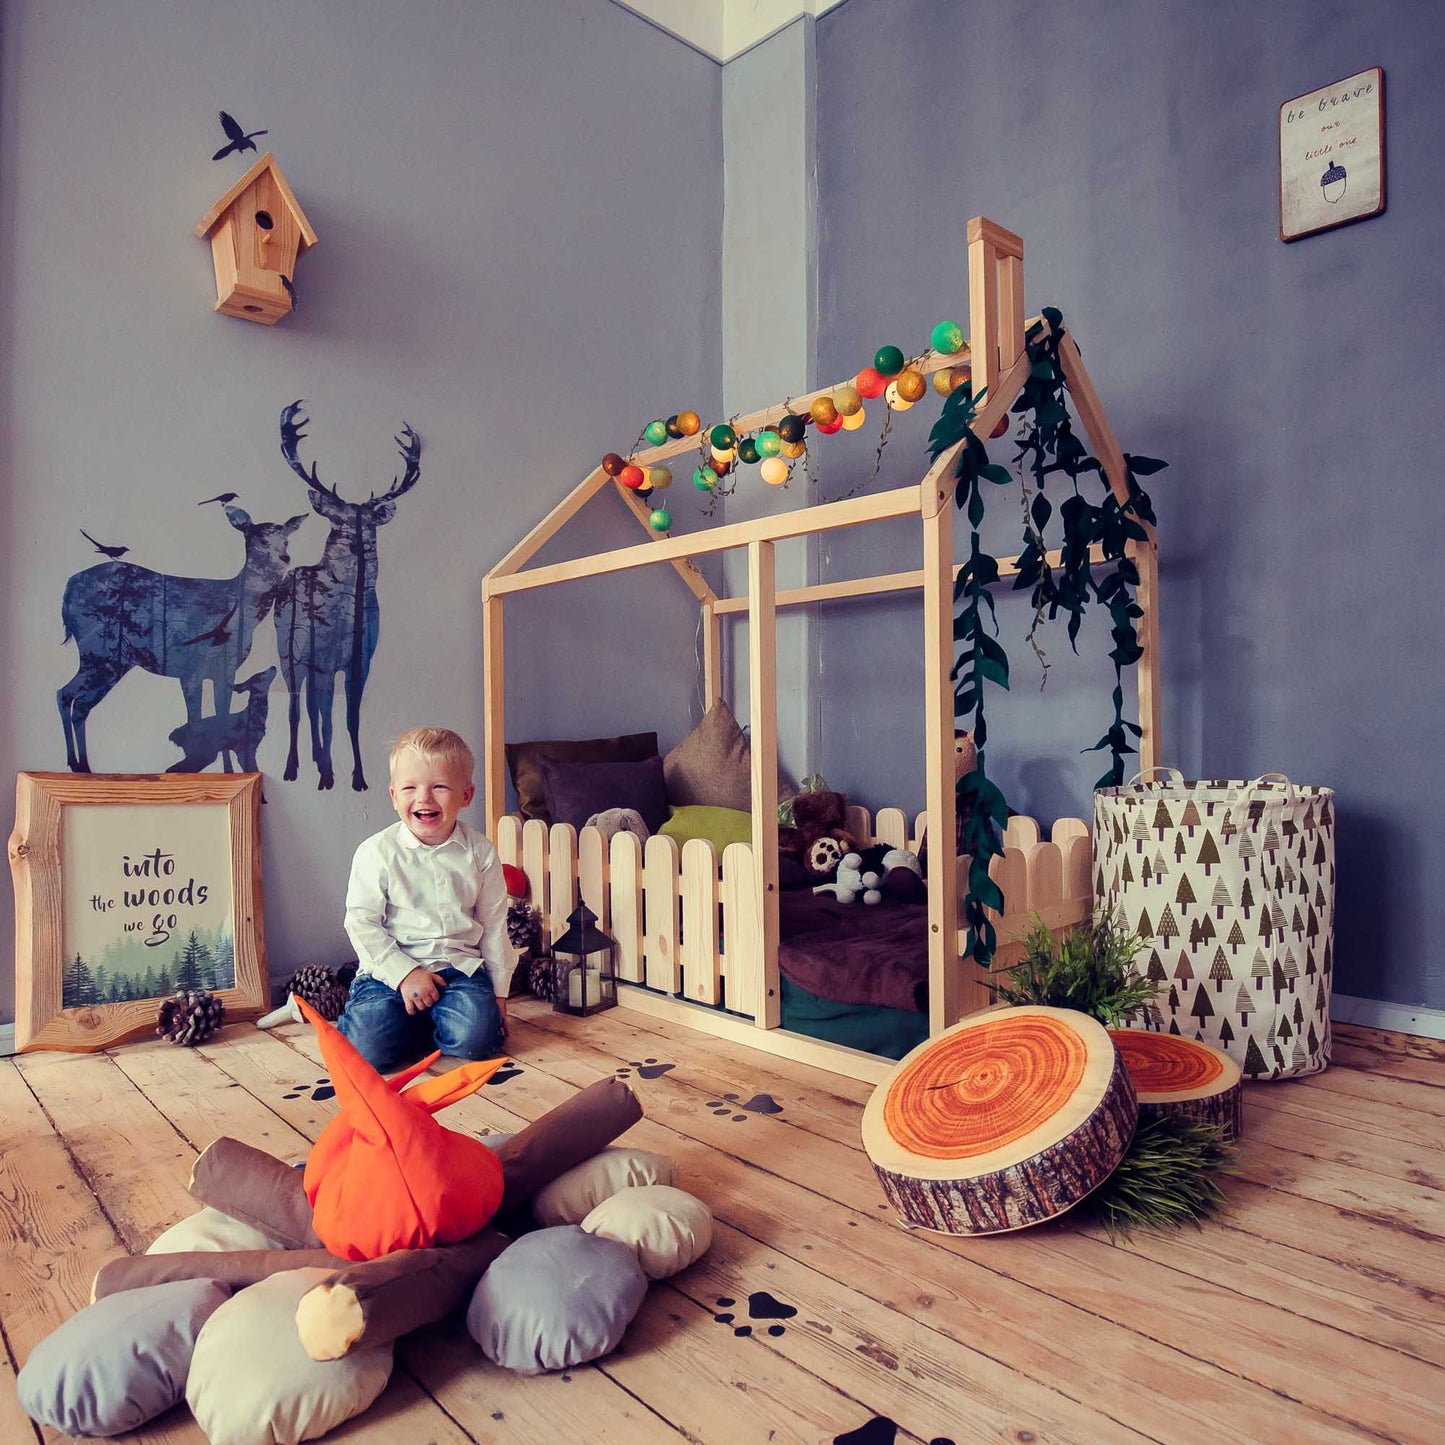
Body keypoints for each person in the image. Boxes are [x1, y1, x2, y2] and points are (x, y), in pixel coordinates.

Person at [336, 726, 511, 1072]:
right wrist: (404, 975)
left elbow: (493, 927)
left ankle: (429, 1022)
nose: (424, 798)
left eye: (439, 787)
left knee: (478, 1039)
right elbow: (362, 923)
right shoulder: (376, 852)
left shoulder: (480, 853)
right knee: (366, 1051)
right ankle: (401, 1018)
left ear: (467, 794)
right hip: (389, 974)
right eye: (410, 788)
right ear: (393, 796)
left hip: (458, 971)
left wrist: (500, 994)